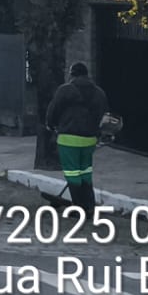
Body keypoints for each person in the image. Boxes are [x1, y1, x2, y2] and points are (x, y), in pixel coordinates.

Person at [45, 62, 110, 214]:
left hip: (68, 138)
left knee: (72, 173)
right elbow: (104, 115)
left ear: (72, 75)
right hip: (89, 140)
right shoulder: (99, 93)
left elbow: (53, 110)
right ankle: (90, 206)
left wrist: (51, 125)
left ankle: (79, 207)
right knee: (85, 172)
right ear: (87, 74)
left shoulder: (64, 90)